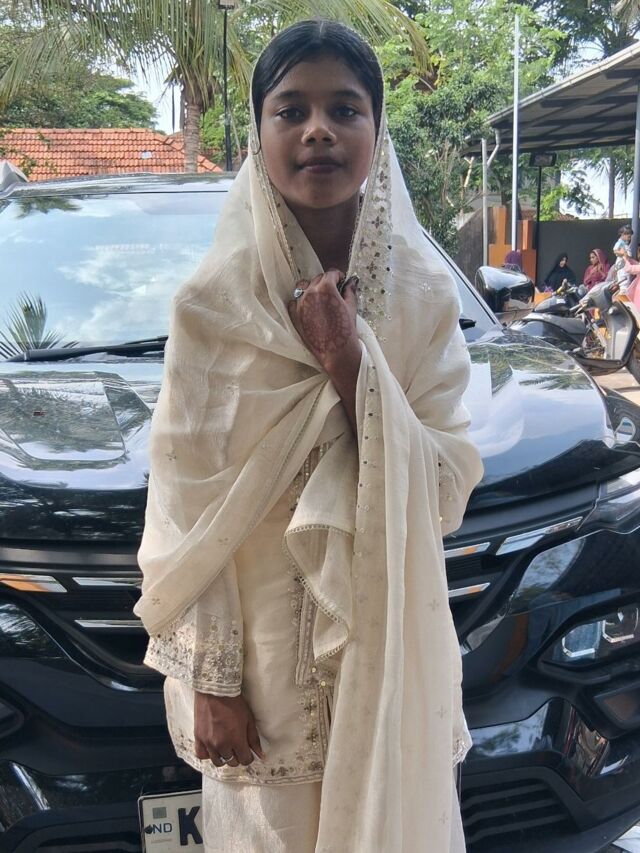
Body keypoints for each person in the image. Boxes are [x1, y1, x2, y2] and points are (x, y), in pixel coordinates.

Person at [134, 19, 483, 853]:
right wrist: (211, 680)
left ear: (376, 132)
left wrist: (349, 361)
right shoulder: (213, 309)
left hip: (394, 660)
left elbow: (444, 487)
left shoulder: (423, 299)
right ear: (258, 138)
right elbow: (188, 516)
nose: (318, 129)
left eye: (344, 109)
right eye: (291, 109)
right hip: (262, 686)